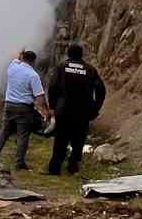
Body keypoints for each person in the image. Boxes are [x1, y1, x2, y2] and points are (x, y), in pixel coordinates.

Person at [46, 43, 107, 176]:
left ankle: (55, 169)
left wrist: (52, 107)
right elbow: (101, 90)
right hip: (83, 112)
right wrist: (95, 109)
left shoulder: (62, 67)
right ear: (81, 54)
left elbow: (53, 87)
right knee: (78, 141)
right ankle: (73, 167)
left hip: (63, 110)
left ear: (68, 54)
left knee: (61, 139)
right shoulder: (90, 69)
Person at [0, 50, 53, 171]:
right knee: (23, 135)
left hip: (8, 105)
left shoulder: (12, 67)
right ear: (33, 61)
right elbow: (39, 97)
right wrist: (46, 112)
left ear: (22, 58)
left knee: (4, 133)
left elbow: (16, 57)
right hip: (24, 109)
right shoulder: (33, 75)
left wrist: (20, 52)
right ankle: (19, 163)